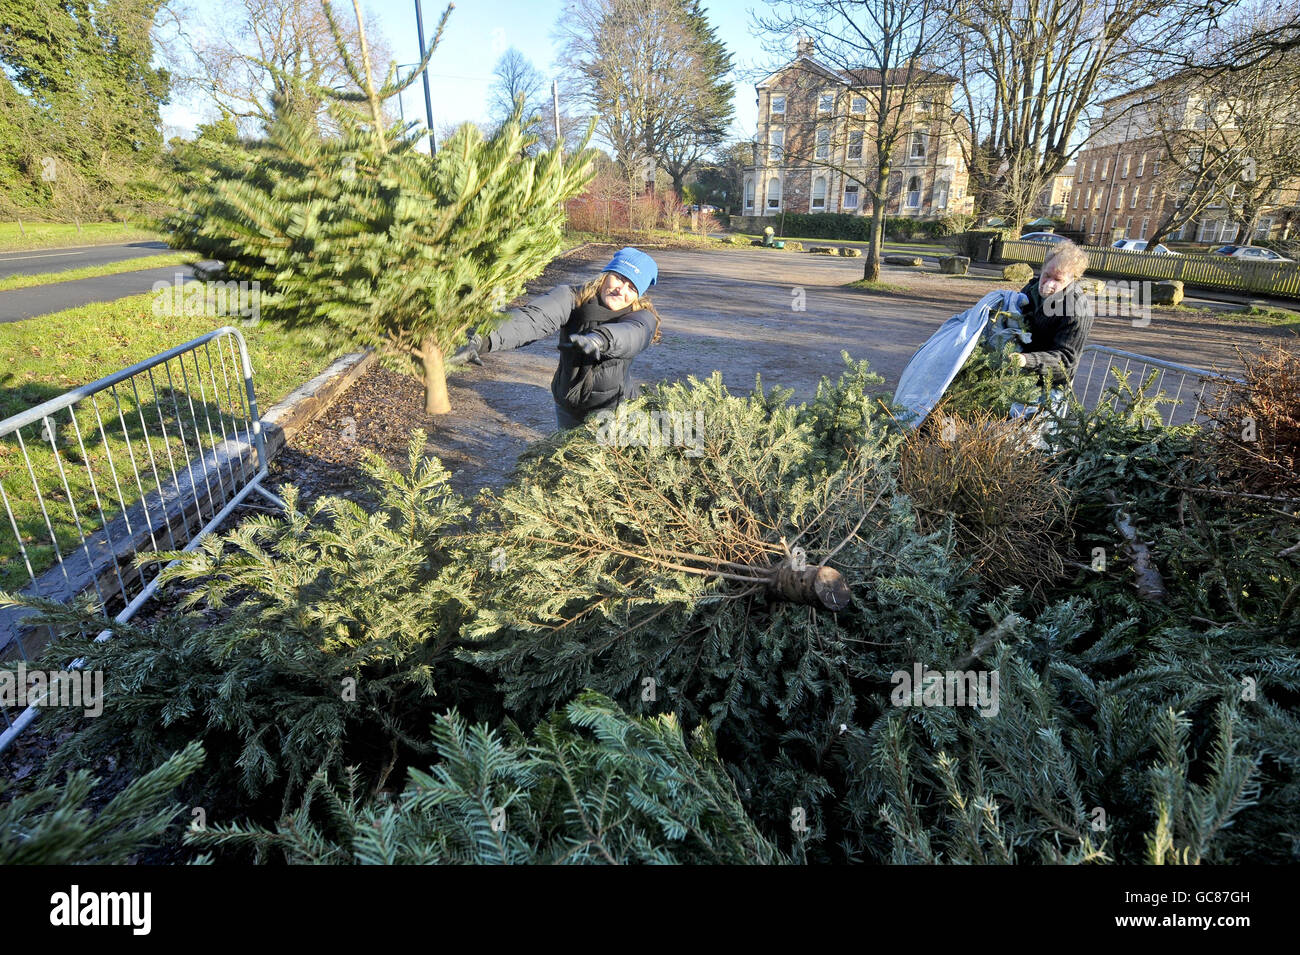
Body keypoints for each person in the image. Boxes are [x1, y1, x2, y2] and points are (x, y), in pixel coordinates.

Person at [449, 248, 662, 429]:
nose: (621, 290)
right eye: (620, 278)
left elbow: (634, 333)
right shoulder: (571, 297)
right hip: (568, 407)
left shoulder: (642, 316)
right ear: (606, 274)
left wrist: (600, 339)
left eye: (632, 287)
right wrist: (481, 340)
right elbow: (532, 319)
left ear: (638, 294)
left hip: (613, 412)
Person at [1008, 240, 1095, 387]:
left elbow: (1066, 360)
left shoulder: (1077, 310)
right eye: (1047, 275)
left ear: (1072, 278)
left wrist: (1025, 360)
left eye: (1057, 279)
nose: (1048, 284)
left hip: (1049, 388)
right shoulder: (1031, 289)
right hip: (1013, 377)